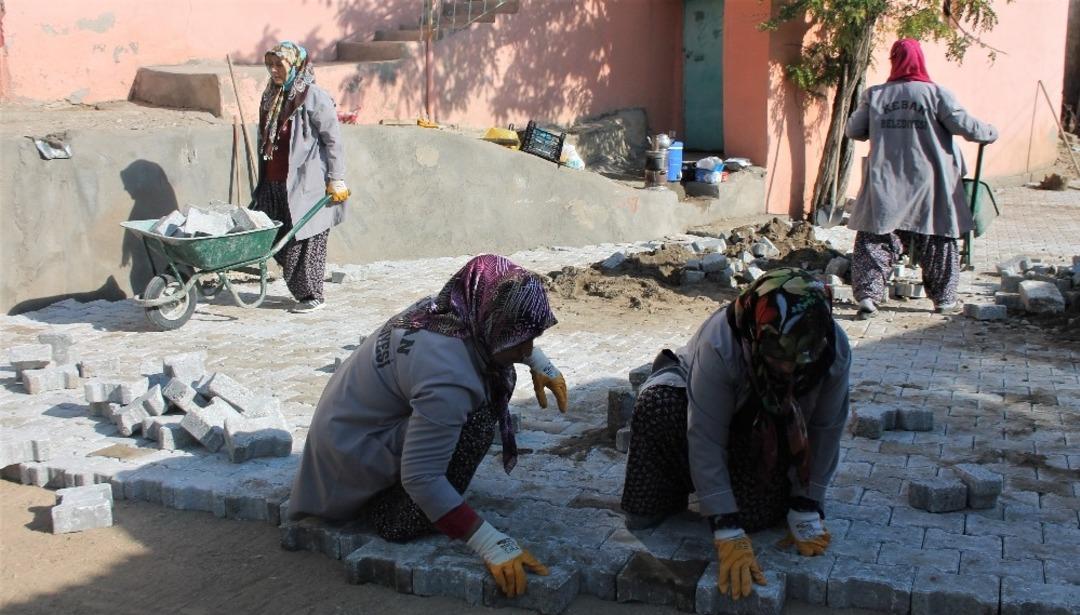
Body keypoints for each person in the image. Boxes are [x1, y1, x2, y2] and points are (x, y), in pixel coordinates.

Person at [288, 254, 570, 598]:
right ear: (491, 321)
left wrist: (539, 361)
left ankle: (421, 500)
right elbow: (421, 477)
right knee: (478, 417)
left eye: (532, 338)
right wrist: (489, 541)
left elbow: (493, 333)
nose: (527, 347)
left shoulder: (445, 312)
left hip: (344, 435)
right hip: (345, 468)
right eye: (520, 339)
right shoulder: (449, 379)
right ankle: (394, 515)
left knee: (493, 376)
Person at [620, 268, 850, 600]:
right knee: (658, 404)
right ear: (757, 333)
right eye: (777, 355)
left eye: (798, 358)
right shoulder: (722, 342)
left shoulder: (832, 349)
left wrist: (807, 501)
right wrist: (726, 527)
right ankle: (659, 499)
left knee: (756, 517)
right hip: (697, 411)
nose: (787, 368)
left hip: (766, 430)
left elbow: (826, 429)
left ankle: (750, 492)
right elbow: (704, 434)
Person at [845, 38, 998, 319]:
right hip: (931, 184)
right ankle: (943, 299)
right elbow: (967, 127)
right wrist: (990, 132)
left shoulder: (875, 95)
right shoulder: (937, 95)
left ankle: (868, 296)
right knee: (939, 236)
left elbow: (854, 130)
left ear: (894, 61)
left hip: (886, 182)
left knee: (874, 238)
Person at [254, 41, 350, 314]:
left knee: (305, 239)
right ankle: (302, 289)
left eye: (279, 65)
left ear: (295, 65)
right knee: (278, 239)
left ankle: (312, 294)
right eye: (269, 65)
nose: (273, 71)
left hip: (306, 183)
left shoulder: (313, 97)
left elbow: (333, 140)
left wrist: (336, 177)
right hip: (274, 182)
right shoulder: (271, 95)